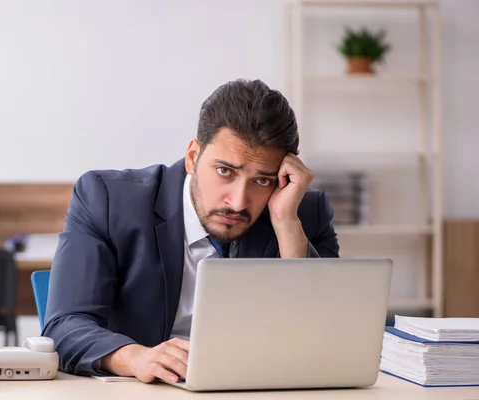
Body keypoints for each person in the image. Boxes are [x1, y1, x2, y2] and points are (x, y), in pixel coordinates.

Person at [43, 78, 339, 384]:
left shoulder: (300, 214)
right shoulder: (107, 199)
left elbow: (333, 337)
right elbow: (64, 326)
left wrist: (287, 224)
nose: (238, 202)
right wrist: (135, 356)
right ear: (193, 156)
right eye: (225, 171)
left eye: (261, 180)